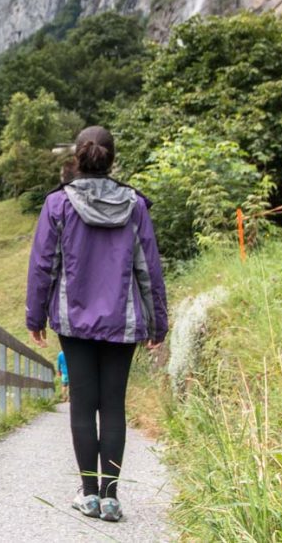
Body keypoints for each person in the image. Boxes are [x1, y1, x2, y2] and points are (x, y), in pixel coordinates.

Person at [25, 125, 167, 524]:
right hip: (123, 322)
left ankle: (88, 494)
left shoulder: (58, 205)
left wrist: (36, 315)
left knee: (84, 408)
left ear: (78, 156)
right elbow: (148, 268)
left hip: (74, 322)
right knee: (114, 407)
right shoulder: (135, 205)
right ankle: (111, 498)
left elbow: (42, 266)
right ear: (112, 158)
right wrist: (158, 323)